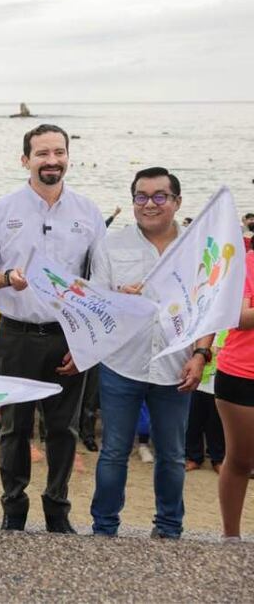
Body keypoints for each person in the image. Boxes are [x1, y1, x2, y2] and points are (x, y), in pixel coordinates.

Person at [0, 124, 106, 533]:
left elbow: (100, 281)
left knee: (63, 429)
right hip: (16, 335)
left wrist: (84, 342)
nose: (52, 161)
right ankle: (13, 509)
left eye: (58, 152)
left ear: (68, 156)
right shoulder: (2, 210)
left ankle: (57, 509)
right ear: (25, 159)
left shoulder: (88, 212)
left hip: (68, 335)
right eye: (42, 153)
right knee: (14, 428)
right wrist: (7, 278)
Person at [88, 167, 211, 538]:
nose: (150, 204)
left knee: (172, 455)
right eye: (141, 196)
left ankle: (169, 529)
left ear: (176, 202)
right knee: (113, 452)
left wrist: (201, 355)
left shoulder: (196, 247)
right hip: (121, 365)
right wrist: (117, 303)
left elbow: (208, 307)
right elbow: (94, 303)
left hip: (175, 367)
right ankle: (104, 529)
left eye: (160, 196)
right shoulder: (112, 245)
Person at [214, 246, 254, 539]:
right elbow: (237, 317)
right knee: (240, 460)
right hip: (242, 373)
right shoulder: (248, 263)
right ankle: (231, 537)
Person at [185, 330, 227, 472]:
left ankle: (218, 459)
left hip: (220, 381)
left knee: (216, 423)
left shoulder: (231, 325)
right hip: (198, 381)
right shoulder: (204, 322)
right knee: (193, 421)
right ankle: (193, 457)